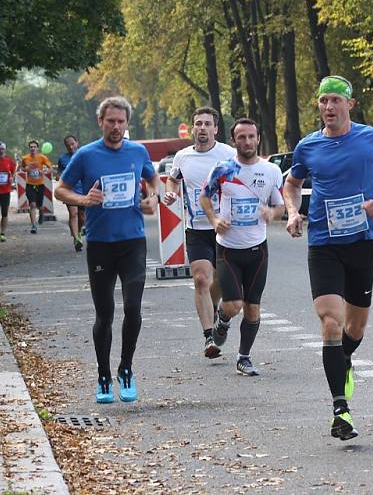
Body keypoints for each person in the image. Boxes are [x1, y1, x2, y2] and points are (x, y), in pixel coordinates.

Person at [283, 75, 373, 441]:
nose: (328, 107)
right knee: (330, 324)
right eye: (323, 101)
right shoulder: (307, 147)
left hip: (362, 244)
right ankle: (341, 410)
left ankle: (344, 359)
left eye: (335, 100)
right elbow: (291, 183)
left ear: (350, 104)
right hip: (323, 244)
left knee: (355, 330)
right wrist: (292, 211)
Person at [55, 96, 159, 404]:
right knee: (105, 314)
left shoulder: (137, 151)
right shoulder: (86, 155)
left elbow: (152, 178)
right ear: (101, 122)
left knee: (133, 308)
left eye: (121, 121)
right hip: (100, 244)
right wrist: (84, 200)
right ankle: (103, 375)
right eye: (110, 121)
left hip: (132, 242)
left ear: (127, 124)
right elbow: (60, 189)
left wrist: (153, 196)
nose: (115, 126)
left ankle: (125, 368)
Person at [199, 118, 285, 376]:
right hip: (228, 249)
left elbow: (281, 206)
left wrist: (273, 212)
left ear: (258, 139)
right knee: (234, 305)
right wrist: (214, 219)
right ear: (234, 140)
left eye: (251, 137)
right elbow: (204, 196)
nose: (247, 142)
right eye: (241, 137)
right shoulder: (223, 169)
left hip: (258, 249)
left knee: (252, 308)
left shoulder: (271, 171)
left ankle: (243, 358)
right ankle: (222, 319)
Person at [163, 107, 236, 358]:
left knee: (221, 281)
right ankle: (209, 338)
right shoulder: (182, 157)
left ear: (216, 128)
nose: (202, 128)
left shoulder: (228, 154)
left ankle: (214, 310)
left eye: (207, 124)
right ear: (192, 128)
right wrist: (171, 191)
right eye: (198, 124)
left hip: (225, 229)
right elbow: (173, 178)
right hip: (197, 229)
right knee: (201, 279)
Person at [57, 135, 86, 251]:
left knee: (82, 217)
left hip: (83, 190)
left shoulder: (84, 155)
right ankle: (76, 239)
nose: (70, 146)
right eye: (68, 145)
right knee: (73, 213)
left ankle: (78, 232)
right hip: (69, 190)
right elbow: (59, 173)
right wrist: (59, 176)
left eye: (72, 143)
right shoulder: (62, 158)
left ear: (77, 143)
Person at [19, 140, 52, 233]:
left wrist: (44, 172)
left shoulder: (42, 157)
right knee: (32, 204)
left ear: (37, 148)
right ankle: (34, 225)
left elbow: (51, 168)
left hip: (40, 184)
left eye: (34, 147)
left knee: (40, 206)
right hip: (30, 184)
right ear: (29, 148)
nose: (33, 148)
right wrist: (25, 169)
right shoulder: (25, 158)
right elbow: (21, 168)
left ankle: (41, 214)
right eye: (31, 147)